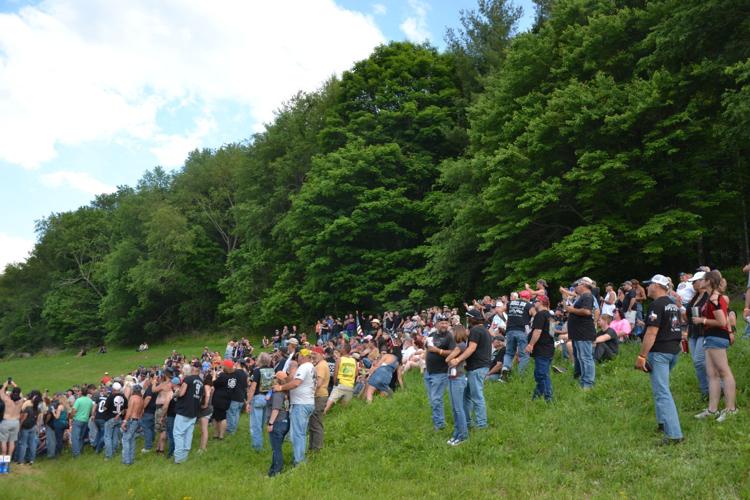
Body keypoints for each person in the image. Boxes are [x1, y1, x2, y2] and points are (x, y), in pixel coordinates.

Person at [635, 274, 683, 445]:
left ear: (657, 286)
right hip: (673, 351)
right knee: (660, 388)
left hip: (660, 352)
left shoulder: (657, 304)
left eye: (649, 285)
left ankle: (674, 435)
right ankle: (663, 423)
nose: (647, 288)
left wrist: (642, 356)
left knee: (662, 392)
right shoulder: (672, 304)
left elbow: (652, 332)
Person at [693, 270, 736, 422]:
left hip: (717, 337)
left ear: (709, 281)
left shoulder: (715, 298)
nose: (700, 282)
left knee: (724, 372)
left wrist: (702, 321)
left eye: (703, 279)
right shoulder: (711, 298)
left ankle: (731, 409)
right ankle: (712, 410)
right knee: (712, 375)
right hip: (710, 337)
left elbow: (722, 322)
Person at [450, 309, 492, 429]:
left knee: (477, 396)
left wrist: (458, 360)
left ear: (473, 318)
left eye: (468, 317)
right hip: (479, 367)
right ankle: (467, 422)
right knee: (466, 396)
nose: (467, 320)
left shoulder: (476, 330)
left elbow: (472, 348)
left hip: (477, 368)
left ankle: (481, 424)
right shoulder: (484, 330)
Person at [273, 348, 315, 465]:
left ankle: (299, 461)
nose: (298, 358)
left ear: (303, 356)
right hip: (307, 402)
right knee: (300, 433)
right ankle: (299, 458)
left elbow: (296, 383)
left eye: (299, 356)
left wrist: (281, 387)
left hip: (301, 404)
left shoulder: (304, 367)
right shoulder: (311, 367)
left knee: (298, 434)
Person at [423, 315, 455, 431]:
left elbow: (453, 352)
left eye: (446, 323)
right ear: (437, 324)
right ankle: (437, 421)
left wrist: (438, 351)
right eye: (442, 323)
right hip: (429, 372)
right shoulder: (432, 335)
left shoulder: (449, 337)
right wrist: (424, 365)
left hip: (440, 373)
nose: (444, 325)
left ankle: (440, 425)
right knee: (432, 400)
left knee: (436, 399)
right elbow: (427, 350)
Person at [566, 277, 597, 390]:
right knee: (581, 357)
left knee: (586, 357)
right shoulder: (582, 297)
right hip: (579, 333)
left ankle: (588, 384)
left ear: (583, 285)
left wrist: (571, 310)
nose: (575, 288)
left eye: (576, 285)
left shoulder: (587, 296)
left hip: (584, 333)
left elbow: (587, 311)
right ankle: (584, 381)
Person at [524, 296, 554, 401]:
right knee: (541, 373)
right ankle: (536, 397)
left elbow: (537, 331)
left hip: (542, 349)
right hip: (549, 348)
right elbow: (552, 333)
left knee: (541, 374)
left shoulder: (540, 315)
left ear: (540, 302)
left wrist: (530, 345)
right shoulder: (550, 316)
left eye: (535, 301)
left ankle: (548, 398)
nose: (533, 303)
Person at [684, 271, 709, 398]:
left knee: (700, 361)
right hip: (693, 332)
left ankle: (711, 388)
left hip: (704, 331)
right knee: (697, 362)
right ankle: (705, 391)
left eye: (695, 281)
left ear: (703, 281)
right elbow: (688, 317)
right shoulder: (695, 297)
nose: (693, 284)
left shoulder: (709, 296)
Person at [173, 363, 204, 464]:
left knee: (178, 434)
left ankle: (178, 459)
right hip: (193, 410)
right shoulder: (201, 382)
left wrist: (176, 392)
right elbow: (200, 398)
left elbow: (182, 393)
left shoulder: (188, 379)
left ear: (194, 369)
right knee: (188, 434)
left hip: (184, 410)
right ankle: (184, 457)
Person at [501, 291, 534, 380]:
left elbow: (500, 310)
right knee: (524, 354)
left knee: (509, 353)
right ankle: (521, 376)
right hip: (522, 331)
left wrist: (506, 319)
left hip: (510, 330)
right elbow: (534, 315)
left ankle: (505, 368)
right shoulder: (528, 305)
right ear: (528, 298)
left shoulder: (510, 303)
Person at [444, 325, 469, 445]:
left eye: (452, 332)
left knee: (458, 409)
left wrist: (451, 358)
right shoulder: (459, 346)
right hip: (453, 377)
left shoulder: (461, 346)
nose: (451, 334)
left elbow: (447, 358)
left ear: (457, 333)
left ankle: (463, 435)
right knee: (455, 409)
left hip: (458, 379)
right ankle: (457, 433)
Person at [248, 352, 275, 451]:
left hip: (258, 397)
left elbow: (253, 387)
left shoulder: (257, 371)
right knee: (262, 424)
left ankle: (257, 447)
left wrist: (248, 402)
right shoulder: (272, 370)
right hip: (268, 398)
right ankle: (260, 444)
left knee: (256, 425)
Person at [267, 372, 290, 477]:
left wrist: (270, 423)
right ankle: (273, 469)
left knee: (276, 449)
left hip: (277, 422)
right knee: (277, 447)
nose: (273, 380)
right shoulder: (286, 392)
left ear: (278, 380)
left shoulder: (277, 393)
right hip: (285, 421)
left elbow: (275, 409)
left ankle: (276, 471)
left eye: (274, 378)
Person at [324, 343, 357, 414]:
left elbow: (335, 373)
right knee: (343, 410)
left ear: (344, 350)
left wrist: (335, 383)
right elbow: (356, 374)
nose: (340, 349)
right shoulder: (354, 361)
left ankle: (320, 418)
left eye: (341, 348)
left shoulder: (339, 359)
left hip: (340, 384)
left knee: (327, 406)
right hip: (350, 386)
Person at [308, 346, 329, 451]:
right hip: (319, 396)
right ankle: (312, 447)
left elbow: (319, 383)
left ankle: (317, 448)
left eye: (315, 354)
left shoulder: (321, 366)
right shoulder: (321, 364)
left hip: (319, 396)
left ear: (321, 354)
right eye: (312, 354)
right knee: (313, 422)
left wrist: (311, 395)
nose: (313, 356)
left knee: (316, 423)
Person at [0, 382, 24, 472]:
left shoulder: (7, 400)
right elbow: (20, 392)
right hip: (16, 422)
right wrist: (14, 384)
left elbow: (1, 392)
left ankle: (2, 466)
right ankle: (7, 465)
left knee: (3, 442)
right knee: (12, 442)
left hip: (6, 422)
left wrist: (7, 383)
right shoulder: (21, 401)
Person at [17, 391, 43, 465]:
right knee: (32, 444)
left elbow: (23, 419)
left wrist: (19, 427)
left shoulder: (28, 408)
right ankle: (31, 460)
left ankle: (21, 461)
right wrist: (37, 428)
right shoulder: (38, 410)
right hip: (33, 427)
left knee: (23, 444)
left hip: (25, 428)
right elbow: (38, 420)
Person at [120, 385, 144, 465]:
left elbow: (129, 411)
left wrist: (125, 421)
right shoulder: (141, 399)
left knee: (126, 440)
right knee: (132, 440)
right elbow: (141, 412)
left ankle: (126, 461)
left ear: (133, 390)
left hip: (131, 420)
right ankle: (131, 459)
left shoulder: (132, 398)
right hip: (137, 420)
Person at [211, 360, 234, 440]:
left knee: (218, 417)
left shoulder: (223, 376)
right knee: (222, 416)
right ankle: (221, 435)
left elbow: (214, 383)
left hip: (219, 399)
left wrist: (214, 376)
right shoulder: (233, 377)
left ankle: (217, 434)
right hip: (227, 399)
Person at [70, 385, 94, 457]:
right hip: (85, 420)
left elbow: (74, 410)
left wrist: (71, 417)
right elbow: (91, 411)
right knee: (81, 437)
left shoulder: (78, 400)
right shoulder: (90, 400)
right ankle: (80, 451)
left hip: (77, 420)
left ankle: (76, 454)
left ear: (81, 392)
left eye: (79, 391)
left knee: (75, 438)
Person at [226, 360, 247, 435]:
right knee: (236, 413)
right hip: (241, 397)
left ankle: (230, 431)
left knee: (231, 414)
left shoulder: (235, 372)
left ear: (238, 363)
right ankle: (234, 429)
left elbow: (231, 385)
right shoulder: (245, 373)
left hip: (234, 396)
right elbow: (245, 386)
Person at [140, 376, 157, 453]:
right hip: (154, 411)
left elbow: (148, 398)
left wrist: (143, 408)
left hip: (148, 411)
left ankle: (148, 447)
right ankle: (152, 441)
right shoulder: (156, 387)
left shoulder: (150, 388)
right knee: (151, 428)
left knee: (147, 428)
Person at [198, 373, 214, 453]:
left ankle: (203, 448)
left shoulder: (206, 386)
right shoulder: (212, 387)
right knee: (202, 429)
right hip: (209, 408)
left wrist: (205, 405)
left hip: (206, 409)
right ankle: (201, 447)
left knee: (204, 429)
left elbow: (207, 395)